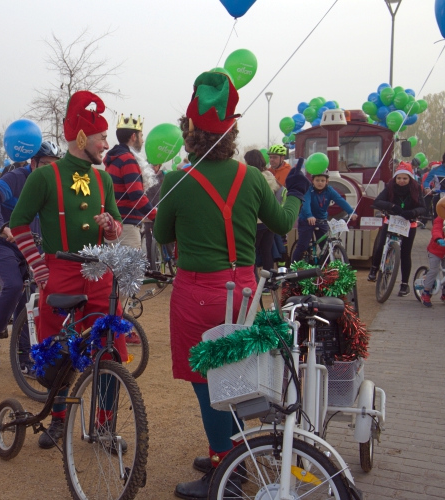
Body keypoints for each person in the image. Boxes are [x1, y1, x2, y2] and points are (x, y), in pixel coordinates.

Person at [153, 71, 310, 500]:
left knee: (206, 382)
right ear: (231, 132)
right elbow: (282, 223)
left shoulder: (176, 181)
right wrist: (294, 189)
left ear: (191, 133)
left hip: (196, 291)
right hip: (244, 291)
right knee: (235, 373)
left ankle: (225, 465)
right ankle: (230, 452)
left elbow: (164, 235)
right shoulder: (254, 178)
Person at [10, 90, 125, 450]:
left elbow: (117, 228)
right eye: (102, 137)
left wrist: (109, 226)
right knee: (55, 351)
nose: (106, 143)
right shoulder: (44, 178)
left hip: (99, 273)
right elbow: (18, 224)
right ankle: (58, 419)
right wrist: (39, 268)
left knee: (110, 348)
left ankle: (104, 427)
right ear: (80, 138)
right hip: (58, 273)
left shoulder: (103, 179)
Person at [0, 141, 61, 366]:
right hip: (1, 243)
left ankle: (24, 357)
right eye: (44, 164)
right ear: (33, 162)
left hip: (30, 247)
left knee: (31, 299)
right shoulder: (17, 178)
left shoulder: (52, 184)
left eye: (53, 165)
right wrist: (1, 225)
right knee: (14, 285)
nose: (48, 169)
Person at [368, 162, 426, 296]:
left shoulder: (416, 188)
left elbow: (423, 208)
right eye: (399, 178)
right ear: (395, 178)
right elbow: (377, 201)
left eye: (405, 178)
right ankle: (374, 269)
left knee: (405, 254)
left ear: (410, 178)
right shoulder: (390, 187)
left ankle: (404, 285)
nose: (401, 181)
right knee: (381, 245)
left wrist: (413, 213)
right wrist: (393, 207)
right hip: (391, 221)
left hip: (409, 224)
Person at [102, 114, 156, 249]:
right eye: (141, 136)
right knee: (130, 270)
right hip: (127, 227)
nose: (142, 141)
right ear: (133, 137)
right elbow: (136, 195)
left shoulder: (114, 159)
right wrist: (155, 215)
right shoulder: (127, 159)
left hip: (116, 223)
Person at [291, 170, 357, 263]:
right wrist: (309, 215)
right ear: (312, 181)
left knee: (325, 246)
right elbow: (306, 203)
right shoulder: (309, 189)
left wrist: (351, 212)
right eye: (317, 180)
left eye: (322, 180)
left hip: (321, 220)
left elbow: (340, 200)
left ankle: (325, 268)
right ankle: (292, 268)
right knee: (303, 245)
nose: (320, 183)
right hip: (307, 220)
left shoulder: (329, 190)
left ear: (327, 181)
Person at [244, 150, 282, 276]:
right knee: (267, 251)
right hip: (269, 220)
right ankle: (268, 282)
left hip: (256, 220)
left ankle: (254, 282)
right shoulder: (269, 175)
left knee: (251, 252)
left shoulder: (251, 176)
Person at [420, 197, 445, 307]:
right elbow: (436, 229)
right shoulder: (440, 219)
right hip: (436, 250)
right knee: (434, 270)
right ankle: (426, 291)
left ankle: (444, 293)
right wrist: (438, 239)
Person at [143, 163, 165, 269]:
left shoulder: (164, 176)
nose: (153, 167)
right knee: (149, 236)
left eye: (155, 165)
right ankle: (151, 262)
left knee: (165, 235)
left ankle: (167, 258)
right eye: (151, 164)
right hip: (148, 210)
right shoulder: (144, 175)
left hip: (162, 210)